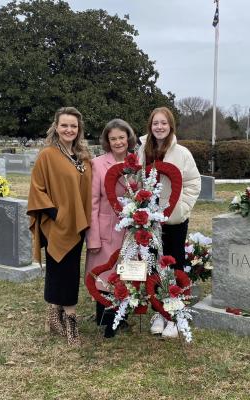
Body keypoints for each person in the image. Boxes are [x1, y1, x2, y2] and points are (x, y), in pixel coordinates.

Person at [27, 107, 92, 346]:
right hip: (57, 224)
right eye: (64, 125)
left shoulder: (83, 156)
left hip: (79, 223)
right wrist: (57, 214)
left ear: (79, 129)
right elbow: (37, 187)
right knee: (63, 269)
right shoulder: (48, 155)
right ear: (56, 126)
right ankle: (71, 321)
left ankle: (54, 316)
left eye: (73, 126)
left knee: (67, 270)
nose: (69, 129)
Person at [138, 106, 201, 338]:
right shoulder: (143, 150)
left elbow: (193, 182)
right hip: (149, 220)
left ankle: (174, 313)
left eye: (163, 123)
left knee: (174, 264)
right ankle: (158, 310)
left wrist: (181, 207)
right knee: (154, 264)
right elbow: (136, 178)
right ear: (150, 126)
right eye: (156, 123)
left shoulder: (182, 153)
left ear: (170, 125)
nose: (159, 127)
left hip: (174, 218)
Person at [85, 118, 137, 338]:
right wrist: (93, 238)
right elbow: (93, 202)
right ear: (107, 140)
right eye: (113, 138)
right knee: (104, 274)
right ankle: (105, 318)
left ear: (129, 139)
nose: (118, 142)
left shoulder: (136, 163)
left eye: (121, 138)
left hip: (131, 230)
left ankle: (121, 317)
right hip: (106, 227)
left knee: (126, 273)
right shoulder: (97, 164)